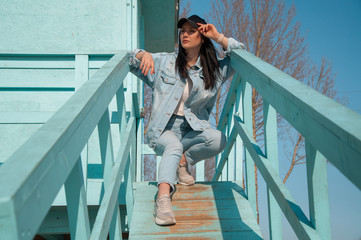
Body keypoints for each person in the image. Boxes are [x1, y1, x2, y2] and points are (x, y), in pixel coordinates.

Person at [129, 15, 245, 226]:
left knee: (218, 139)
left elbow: (241, 56)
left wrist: (218, 36)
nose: (184, 34)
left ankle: (183, 162)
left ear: (202, 36)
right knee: (173, 145)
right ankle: (163, 199)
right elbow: (130, 59)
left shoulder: (215, 71)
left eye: (191, 31)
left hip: (191, 130)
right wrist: (141, 53)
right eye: (182, 31)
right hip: (162, 130)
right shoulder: (166, 61)